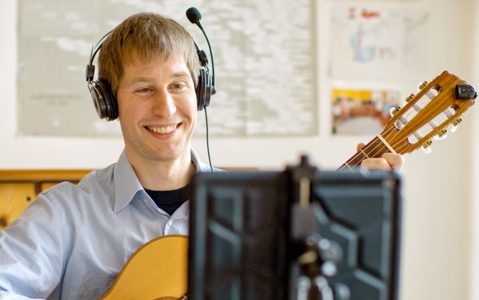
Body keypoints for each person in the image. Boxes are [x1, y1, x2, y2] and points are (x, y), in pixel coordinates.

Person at [0, 12, 404, 300]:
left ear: (201, 94)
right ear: (109, 103)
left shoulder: (259, 212)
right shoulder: (66, 212)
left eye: (178, 85)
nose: (166, 108)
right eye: (143, 89)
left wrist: (352, 221)